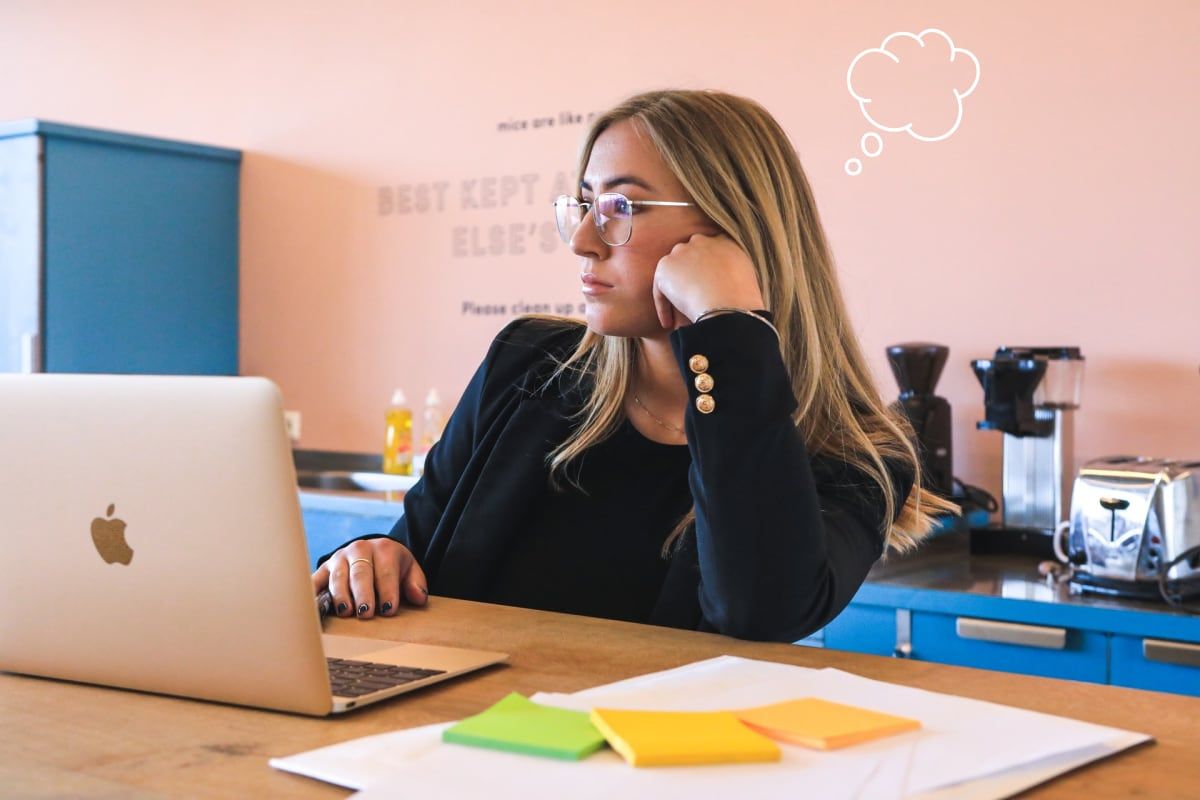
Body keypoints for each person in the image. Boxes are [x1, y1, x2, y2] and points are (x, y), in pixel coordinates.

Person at [312, 89, 957, 642]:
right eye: (584, 203)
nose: (584, 239)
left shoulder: (855, 454)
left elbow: (761, 613)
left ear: (732, 230)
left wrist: (730, 328)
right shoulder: (528, 364)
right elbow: (412, 552)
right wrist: (375, 559)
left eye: (622, 207)